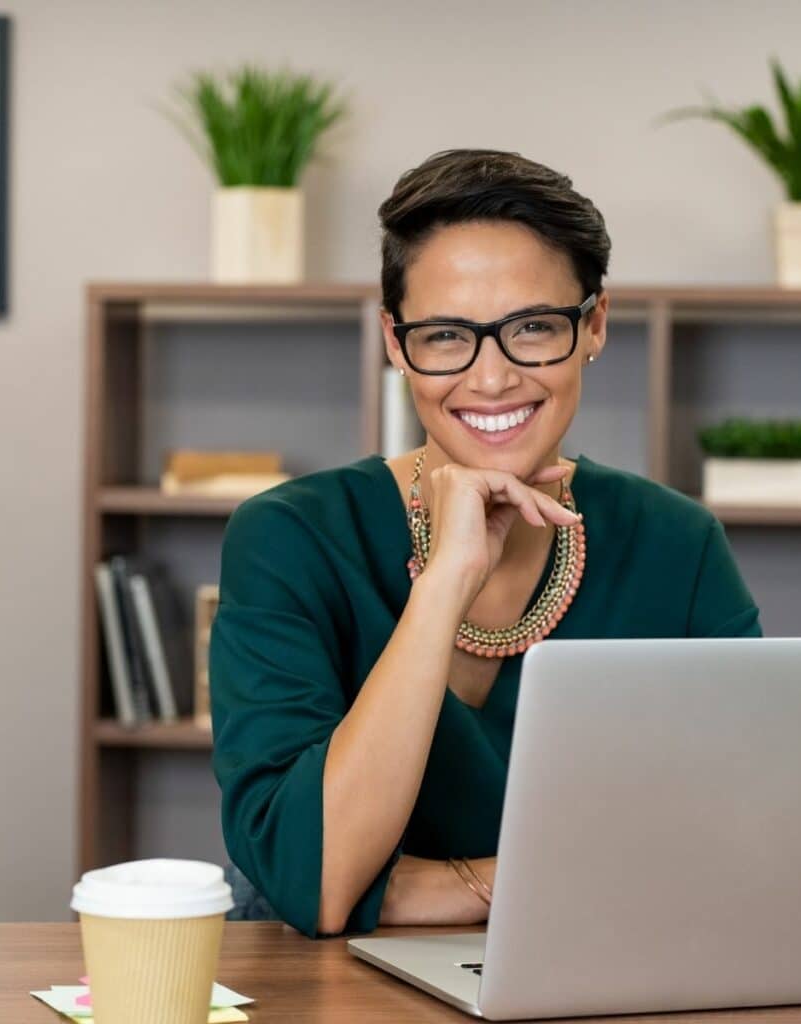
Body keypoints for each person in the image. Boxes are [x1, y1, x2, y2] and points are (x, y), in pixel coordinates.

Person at [209, 148, 762, 939]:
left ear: (594, 325)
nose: (493, 377)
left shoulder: (679, 544)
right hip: (330, 988)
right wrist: (445, 581)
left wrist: (423, 890)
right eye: (445, 336)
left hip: (596, 965)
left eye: (533, 328)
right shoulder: (287, 537)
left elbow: (737, 843)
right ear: (397, 346)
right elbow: (320, 881)